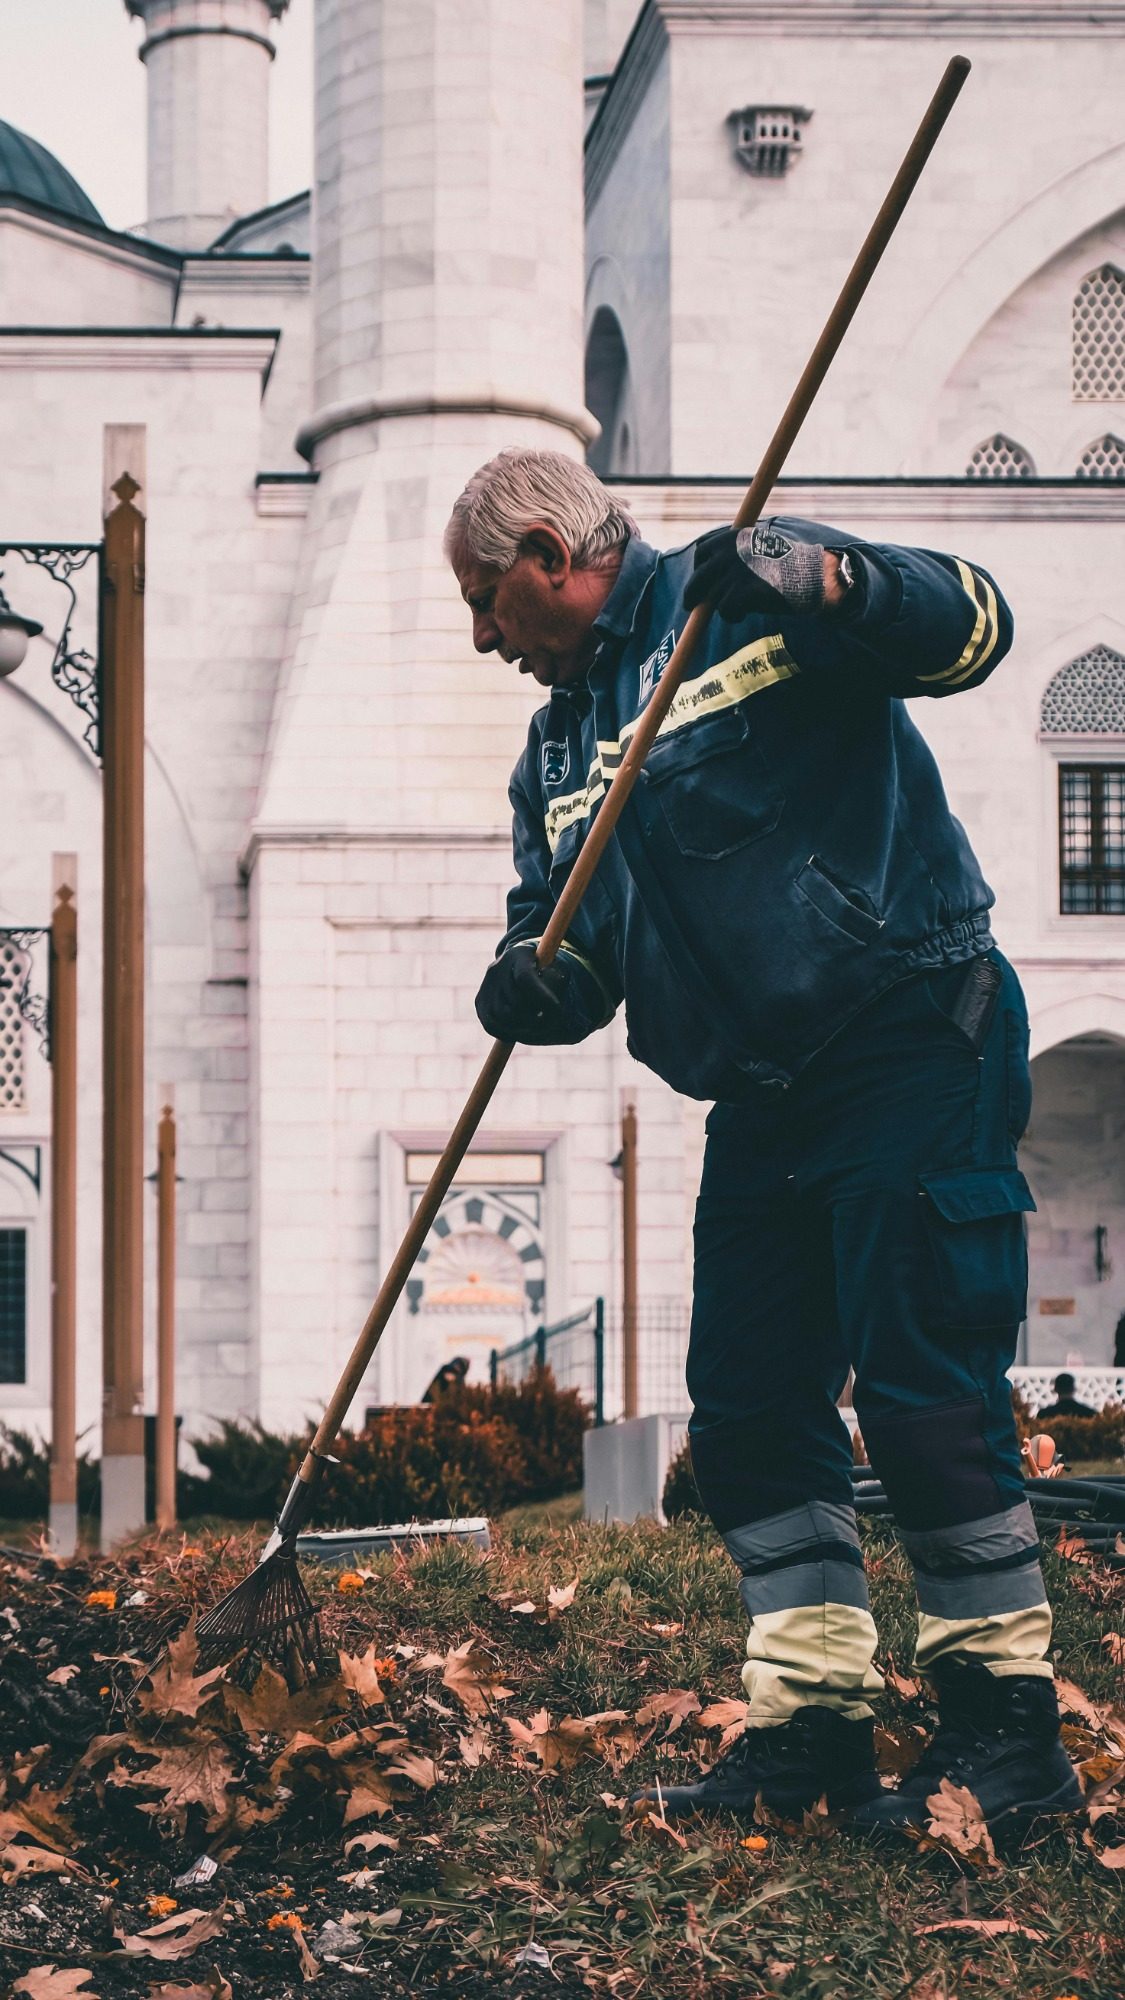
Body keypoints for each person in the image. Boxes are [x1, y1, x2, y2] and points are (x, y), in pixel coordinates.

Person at [445, 447, 1081, 1836]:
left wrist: (835, 579)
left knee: (920, 1393)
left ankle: (1006, 1742)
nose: (481, 634)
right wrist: (530, 979)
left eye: (489, 598)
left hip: (913, 1027)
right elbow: (567, 933)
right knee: (745, 1414)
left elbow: (972, 626)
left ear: (551, 552)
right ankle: (809, 1729)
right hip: (763, 1094)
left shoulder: (746, 601)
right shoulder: (556, 750)